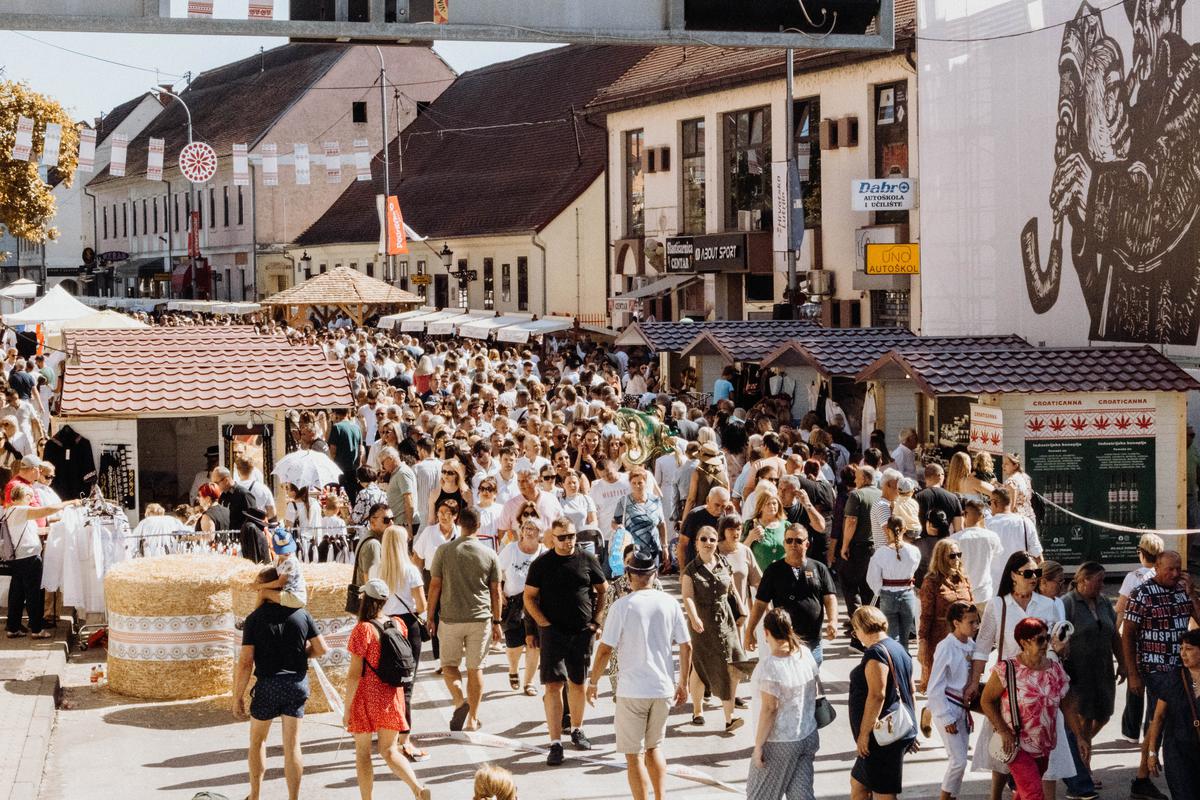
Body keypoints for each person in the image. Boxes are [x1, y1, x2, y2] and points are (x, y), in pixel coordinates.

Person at [966, 551, 1072, 800]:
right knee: (1005, 747)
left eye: (1037, 573)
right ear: (1013, 575)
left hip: (1044, 684)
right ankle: (996, 796)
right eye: (1027, 573)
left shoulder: (1050, 604)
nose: (1033, 577)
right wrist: (974, 682)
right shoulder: (998, 605)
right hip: (1010, 685)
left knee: (1047, 757)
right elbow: (982, 646)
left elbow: (1062, 645)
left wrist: (1059, 646)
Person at [588, 551, 691, 800]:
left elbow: (604, 650)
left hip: (631, 690)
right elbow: (686, 645)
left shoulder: (622, 606)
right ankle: (660, 797)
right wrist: (683, 683)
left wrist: (592, 682)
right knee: (655, 748)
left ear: (629, 576)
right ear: (654, 574)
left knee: (633, 755)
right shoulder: (669, 603)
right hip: (662, 687)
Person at [232, 566, 329, 800]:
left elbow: (245, 662)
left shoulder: (254, 620)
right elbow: (321, 648)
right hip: (296, 682)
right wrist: (300, 654)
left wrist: (237, 696)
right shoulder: (302, 614)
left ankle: (255, 795)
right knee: (293, 745)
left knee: (257, 742)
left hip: (268, 684)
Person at [523, 518, 608, 765]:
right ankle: (555, 742)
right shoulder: (542, 564)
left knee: (578, 683)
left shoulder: (587, 559)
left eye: (571, 536)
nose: (568, 541)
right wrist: (543, 624)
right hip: (553, 634)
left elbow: (602, 589)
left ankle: (577, 729)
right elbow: (529, 597)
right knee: (553, 687)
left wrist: (597, 621)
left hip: (582, 632)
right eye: (562, 537)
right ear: (552, 538)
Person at [343, 579, 431, 800]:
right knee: (389, 750)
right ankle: (418, 789)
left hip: (366, 696)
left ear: (365, 600)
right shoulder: (398, 624)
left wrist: (347, 709)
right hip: (392, 695)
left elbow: (354, 674)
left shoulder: (362, 630)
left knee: (363, 753)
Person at [1122, 550, 1200, 800]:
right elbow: (1128, 634)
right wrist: (1132, 673)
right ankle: (1149, 774)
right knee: (1163, 717)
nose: (1175, 574)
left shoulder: (1182, 590)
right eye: (1170, 569)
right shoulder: (1142, 593)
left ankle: (1144, 777)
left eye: (1179, 569)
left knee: (1166, 718)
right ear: (1156, 567)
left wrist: (1192, 595)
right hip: (1155, 666)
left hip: (1181, 665)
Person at [980, 617, 1083, 800]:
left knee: (1025, 792)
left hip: (1044, 744)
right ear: (1024, 642)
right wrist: (1003, 731)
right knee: (1034, 794)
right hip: (1016, 744)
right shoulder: (1007, 669)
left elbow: (1067, 706)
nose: (1046, 644)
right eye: (1040, 640)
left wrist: (1080, 737)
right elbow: (986, 701)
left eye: (1047, 638)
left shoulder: (1054, 669)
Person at [427, 506, 501, 733]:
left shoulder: (444, 551)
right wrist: (497, 622)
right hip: (480, 617)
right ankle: (473, 718)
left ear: (458, 522)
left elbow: (435, 585)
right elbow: (496, 590)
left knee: (449, 665)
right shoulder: (489, 554)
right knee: (475, 668)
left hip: (450, 617)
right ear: (479, 526)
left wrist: (430, 616)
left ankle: (460, 700)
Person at [1060, 561, 1121, 799]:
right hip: (1078, 672)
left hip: (1102, 669)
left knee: (1103, 715)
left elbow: (1114, 634)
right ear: (1083, 580)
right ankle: (1083, 771)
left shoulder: (1105, 602)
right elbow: (1059, 634)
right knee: (1083, 722)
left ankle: (1075, 752)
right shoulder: (1068, 604)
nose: (1102, 585)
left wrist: (1124, 664)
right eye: (1099, 581)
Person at [746, 608, 821, 800]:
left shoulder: (770, 665)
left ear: (766, 633)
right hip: (808, 734)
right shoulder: (804, 653)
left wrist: (758, 746)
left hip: (781, 741)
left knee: (760, 795)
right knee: (801, 795)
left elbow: (770, 708)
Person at [848, 605, 918, 800]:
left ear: (862, 627)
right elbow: (910, 691)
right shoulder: (898, 648)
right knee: (858, 783)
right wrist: (912, 727)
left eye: (855, 630)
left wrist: (863, 733)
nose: (856, 635)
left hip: (882, 735)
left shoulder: (876, 653)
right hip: (891, 731)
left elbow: (876, 695)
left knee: (883, 793)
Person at [682, 525, 747, 732]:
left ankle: (729, 714)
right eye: (703, 539)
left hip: (725, 620)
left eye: (712, 539)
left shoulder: (723, 562)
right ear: (697, 543)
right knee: (701, 667)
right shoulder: (691, 570)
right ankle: (699, 710)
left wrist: (742, 609)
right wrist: (694, 618)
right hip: (703, 622)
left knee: (735, 665)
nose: (708, 543)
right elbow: (688, 597)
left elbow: (732, 589)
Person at [745, 524, 837, 663]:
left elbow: (830, 598)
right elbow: (760, 603)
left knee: (811, 680)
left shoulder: (819, 568)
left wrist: (833, 621)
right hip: (783, 640)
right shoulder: (773, 570)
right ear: (784, 543)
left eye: (798, 541)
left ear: (807, 544)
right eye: (789, 540)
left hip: (813, 640)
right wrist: (749, 631)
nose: (793, 544)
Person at [377, 524, 428, 760]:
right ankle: (404, 737)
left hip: (383, 626)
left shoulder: (376, 569)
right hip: (408, 626)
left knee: (386, 682)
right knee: (406, 684)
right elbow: (422, 605)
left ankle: (386, 732)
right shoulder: (411, 571)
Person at [3, 486, 79, 639]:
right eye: (30, 497)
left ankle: (13, 627)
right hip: (29, 557)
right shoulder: (20, 510)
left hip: (19, 558)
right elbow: (46, 510)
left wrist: (52, 531)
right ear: (25, 496)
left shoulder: (10, 511)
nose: (31, 501)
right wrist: (69, 502)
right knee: (34, 594)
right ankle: (37, 629)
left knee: (17, 594)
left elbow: (30, 532)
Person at [925, 601, 980, 800]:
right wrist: (945, 716)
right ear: (956, 623)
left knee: (960, 759)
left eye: (977, 622)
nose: (976, 626)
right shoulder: (946, 646)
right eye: (971, 622)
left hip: (963, 708)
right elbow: (935, 685)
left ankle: (953, 796)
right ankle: (945, 797)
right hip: (947, 705)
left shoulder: (972, 645)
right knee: (958, 761)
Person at [1141, 628, 1200, 800]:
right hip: (1177, 750)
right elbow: (1158, 717)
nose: (1183, 654)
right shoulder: (1174, 677)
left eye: (1189, 649)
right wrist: (1152, 752)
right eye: (1181, 649)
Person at [1116, 532, 1163, 742]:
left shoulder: (1133, 577)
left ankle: (1131, 731)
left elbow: (1120, 609)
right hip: (1157, 638)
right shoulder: (1162, 575)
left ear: (1141, 554)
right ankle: (1151, 730)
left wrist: (1113, 634)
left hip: (1135, 637)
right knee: (1155, 686)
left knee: (1135, 685)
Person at [917, 538, 975, 692]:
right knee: (938, 685)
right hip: (939, 637)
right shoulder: (931, 582)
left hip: (963, 638)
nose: (956, 559)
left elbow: (972, 608)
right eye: (952, 556)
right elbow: (926, 615)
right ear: (941, 558)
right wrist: (922, 642)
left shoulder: (963, 579)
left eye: (958, 554)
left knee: (962, 682)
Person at [498, 519, 545, 695]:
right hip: (513, 605)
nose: (529, 532)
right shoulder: (511, 549)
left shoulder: (544, 553)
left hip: (536, 604)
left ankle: (529, 682)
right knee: (514, 645)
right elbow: (496, 571)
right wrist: (498, 592)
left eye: (533, 529)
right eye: (526, 528)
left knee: (534, 645)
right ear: (522, 531)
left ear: (540, 533)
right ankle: (513, 669)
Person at [866, 516, 921, 651]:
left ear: (887, 531)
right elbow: (914, 568)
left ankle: (893, 665)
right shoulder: (913, 551)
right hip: (907, 594)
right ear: (905, 530)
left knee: (891, 637)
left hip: (888, 595)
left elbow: (872, 578)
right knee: (905, 637)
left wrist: (879, 590)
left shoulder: (880, 553)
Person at [841, 465, 882, 622]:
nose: (855, 479)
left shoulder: (856, 495)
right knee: (870, 586)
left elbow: (851, 521)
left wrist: (845, 546)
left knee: (849, 583)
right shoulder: (882, 495)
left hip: (859, 548)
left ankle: (858, 620)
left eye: (857, 477)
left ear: (865, 478)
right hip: (877, 547)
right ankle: (871, 619)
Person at [950, 500, 1004, 607]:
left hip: (962, 593)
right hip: (985, 593)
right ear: (982, 516)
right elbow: (998, 563)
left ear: (964, 515)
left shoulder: (954, 539)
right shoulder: (992, 537)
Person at [985, 487, 1043, 586]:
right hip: (1021, 582)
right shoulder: (1025, 522)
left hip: (995, 583)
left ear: (994, 503)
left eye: (989, 502)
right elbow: (1038, 556)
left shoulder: (987, 524)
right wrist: (1041, 581)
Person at [612, 468, 668, 565]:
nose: (637, 486)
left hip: (653, 550)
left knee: (652, 578)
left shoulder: (655, 500)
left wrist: (665, 547)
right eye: (634, 483)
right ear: (630, 483)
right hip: (632, 550)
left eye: (640, 483)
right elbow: (614, 522)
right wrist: (618, 527)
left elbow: (661, 524)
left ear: (645, 482)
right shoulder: (624, 501)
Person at [678, 486, 732, 572]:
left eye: (723, 506)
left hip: (716, 567)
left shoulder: (724, 516)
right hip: (695, 567)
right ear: (708, 500)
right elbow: (682, 544)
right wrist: (682, 570)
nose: (719, 510)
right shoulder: (694, 515)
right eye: (717, 505)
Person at [251, 529, 308, 609]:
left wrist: (259, 586)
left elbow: (279, 583)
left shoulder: (290, 561)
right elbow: (271, 572)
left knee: (262, 593)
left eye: (288, 549)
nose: (287, 552)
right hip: (287, 592)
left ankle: (253, 619)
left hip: (295, 596)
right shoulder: (277, 559)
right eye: (284, 550)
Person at [743, 491, 789, 574]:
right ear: (761, 507)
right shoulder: (750, 525)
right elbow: (740, 551)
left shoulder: (786, 525)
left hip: (783, 575)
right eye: (768, 504)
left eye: (774, 503)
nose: (772, 506)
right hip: (759, 577)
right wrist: (750, 538)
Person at [328, 407, 364, 502]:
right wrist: (358, 465)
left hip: (340, 469)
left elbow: (333, 451)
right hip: (353, 469)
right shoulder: (356, 427)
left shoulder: (337, 427)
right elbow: (361, 450)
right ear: (348, 412)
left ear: (336, 414)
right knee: (352, 498)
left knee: (339, 498)